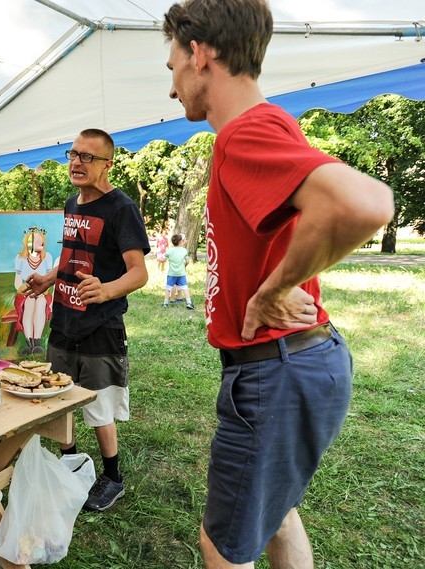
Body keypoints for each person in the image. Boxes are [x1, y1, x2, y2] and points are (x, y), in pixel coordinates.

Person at [162, 1, 394, 566]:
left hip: (274, 371)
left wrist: (273, 289)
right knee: (277, 512)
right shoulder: (270, 124)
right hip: (301, 363)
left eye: (171, 67)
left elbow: (367, 203)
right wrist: (288, 277)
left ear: (199, 54)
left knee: (223, 548)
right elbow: (321, 213)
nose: (172, 89)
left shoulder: (245, 133)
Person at [24, 128, 150, 512]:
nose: (77, 162)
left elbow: (139, 272)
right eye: (73, 154)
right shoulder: (70, 205)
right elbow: (73, 255)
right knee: (59, 397)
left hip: (101, 326)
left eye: (88, 157)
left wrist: (107, 290)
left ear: (107, 164)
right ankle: (71, 463)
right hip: (64, 319)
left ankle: (112, 477)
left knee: (98, 406)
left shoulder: (121, 208)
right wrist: (47, 279)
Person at [14, 226, 53, 354]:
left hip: (43, 291)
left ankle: (37, 343)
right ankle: (29, 343)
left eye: (39, 242)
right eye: (33, 242)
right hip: (26, 292)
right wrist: (24, 289)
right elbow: (17, 281)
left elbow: (49, 279)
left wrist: (42, 290)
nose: (36, 245)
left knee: (41, 303)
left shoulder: (47, 257)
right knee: (30, 303)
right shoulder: (20, 258)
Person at [162, 234, 194, 309]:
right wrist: (185, 265)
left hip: (171, 273)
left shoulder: (169, 250)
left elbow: (164, 259)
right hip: (181, 273)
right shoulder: (184, 250)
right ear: (180, 242)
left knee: (168, 288)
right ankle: (189, 302)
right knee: (185, 287)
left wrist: (159, 259)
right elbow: (187, 261)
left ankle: (165, 303)